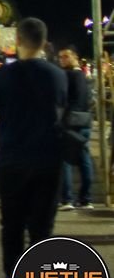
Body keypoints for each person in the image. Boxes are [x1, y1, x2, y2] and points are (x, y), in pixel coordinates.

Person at [0, 17, 66, 278]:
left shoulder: (2, 75)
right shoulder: (58, 75)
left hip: (12, 161)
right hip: (49, 160)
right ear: (44, 42)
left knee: (12, 227)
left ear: (17, 40)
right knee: (42, 229)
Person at [57, 47, 93, 211]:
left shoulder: (68, 76)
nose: (62, 60)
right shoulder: (85, 77)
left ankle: (67, 199)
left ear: (75, 57)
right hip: (85, 121)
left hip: (70, 122)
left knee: (65, 160)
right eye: (60, 57)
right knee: (84, 159)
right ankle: (86, 199)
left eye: (66, 56)